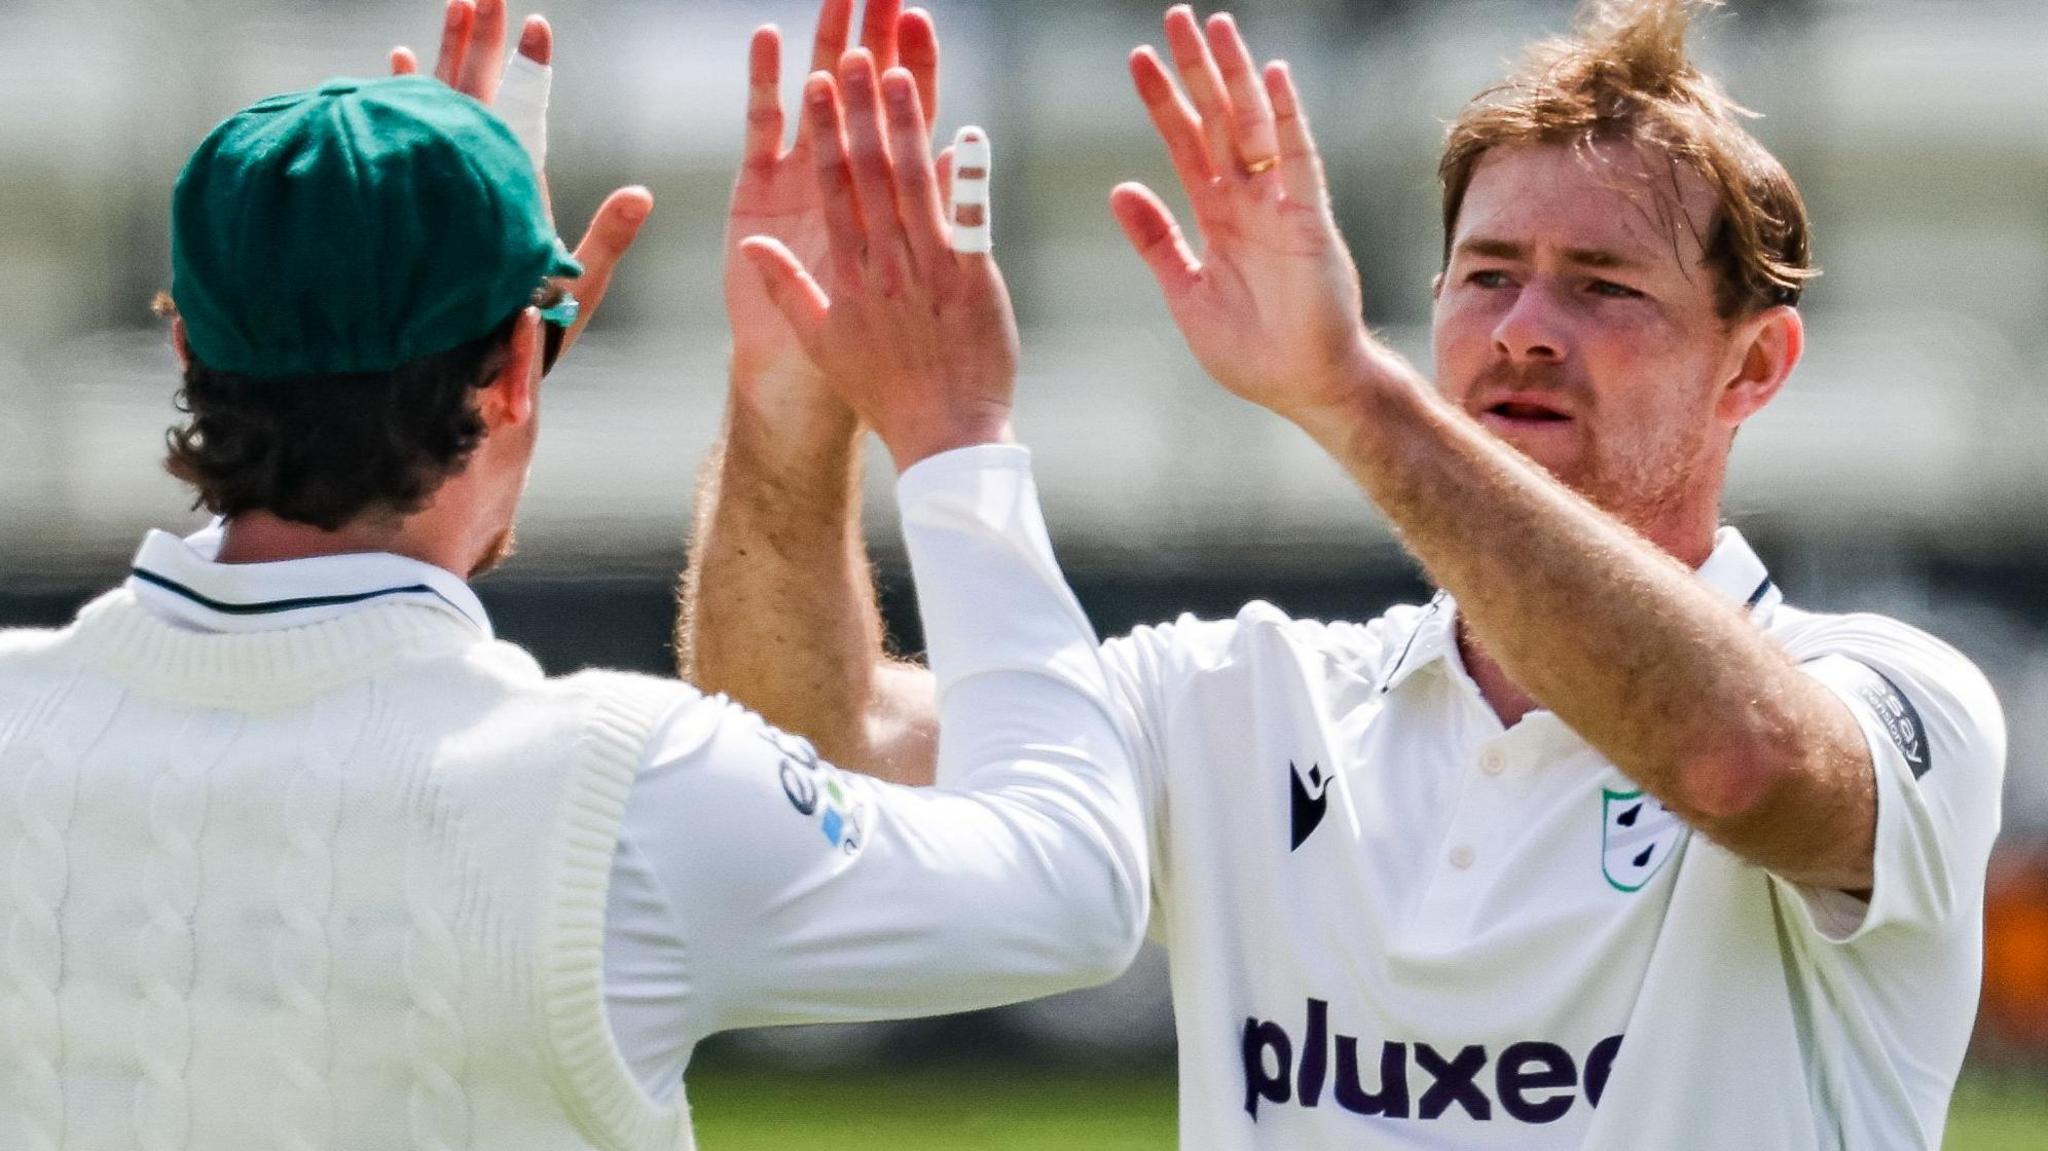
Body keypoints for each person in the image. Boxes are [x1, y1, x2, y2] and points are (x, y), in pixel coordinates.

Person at [691, 0, 2007, 1146]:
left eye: (1604, 287)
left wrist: (1345, 394)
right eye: (1488, 275)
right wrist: (788, 405)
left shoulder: (1899, 694)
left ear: (1755, 365)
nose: (1526, 330)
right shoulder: (1250, 696)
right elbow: (813, 751)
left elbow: (1743, 766)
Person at [0, 2, 1147, 1147]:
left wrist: (480, 373)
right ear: (509, 367)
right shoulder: (620, 776)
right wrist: (958, 435)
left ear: (188, 348)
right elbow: (1072, 893)